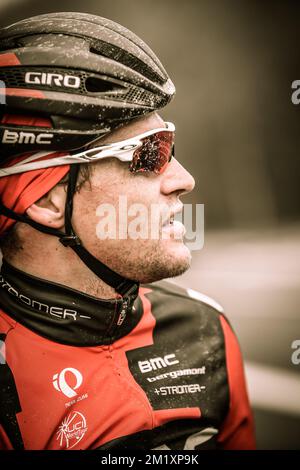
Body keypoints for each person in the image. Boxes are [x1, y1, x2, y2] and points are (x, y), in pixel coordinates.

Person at [0, 12, 255, 450]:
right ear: (45, 200)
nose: (183, 179)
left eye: (170, 144)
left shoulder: (205, 328)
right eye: (148, 154)